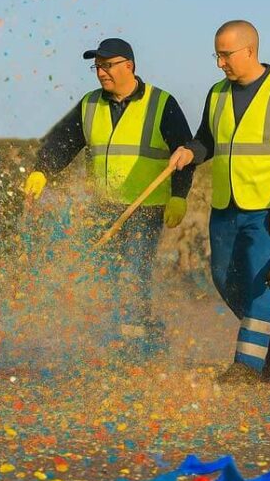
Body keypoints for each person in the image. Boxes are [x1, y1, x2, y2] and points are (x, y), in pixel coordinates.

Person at [23, 37, 194, 353]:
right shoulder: (89, 104)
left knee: (133, 273)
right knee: (105, 275)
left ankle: (133, 346)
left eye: (108, 65)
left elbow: (184, 151)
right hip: (101, 207)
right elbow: (62, 143)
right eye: (97, 66)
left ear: (129, 66)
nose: (101, 72)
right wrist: (42, 171)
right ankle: (129, 336)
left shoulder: (161, 103)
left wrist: (179, 195)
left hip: (146, 207)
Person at [170, 20, 270, 384]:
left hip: (269, 207)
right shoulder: (216, 94)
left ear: (250, 51)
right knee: (222, 279)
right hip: (225, 206)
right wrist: (190, 152)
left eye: (226, 55)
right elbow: (207, 140)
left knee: (259, 282)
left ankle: (247, 366)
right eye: (216, 55)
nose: (220, 63)